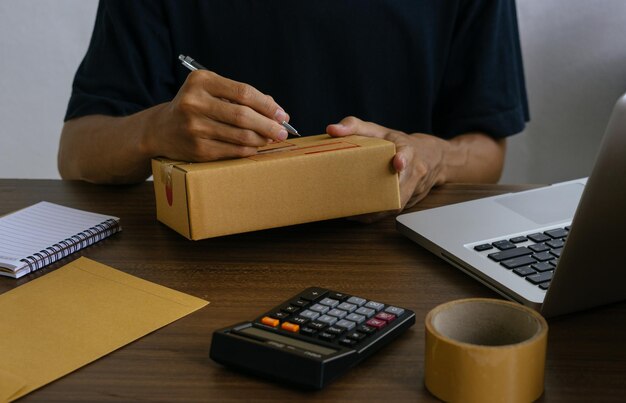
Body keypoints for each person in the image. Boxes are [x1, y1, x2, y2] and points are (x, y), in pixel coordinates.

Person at [58, 1, 528, 217]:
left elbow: (485, 146)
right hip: (210, 260)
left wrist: (433, 157)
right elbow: (78, 152)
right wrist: (154, 130)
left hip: (400, 247)